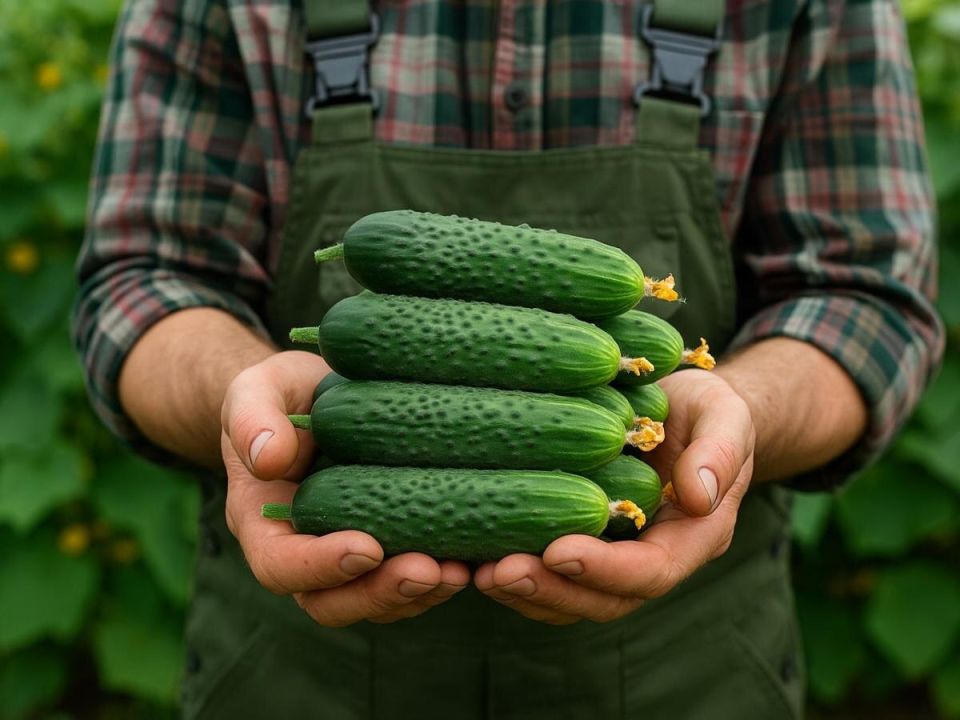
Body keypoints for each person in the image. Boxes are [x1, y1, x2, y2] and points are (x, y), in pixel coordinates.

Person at [72, 0, 943, 716]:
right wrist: (246, 397)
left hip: (691, 676)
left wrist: (737, 414)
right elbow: (144, 279)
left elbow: (865, 297)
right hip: (295, 677)